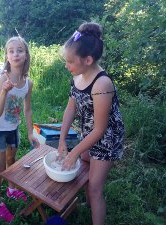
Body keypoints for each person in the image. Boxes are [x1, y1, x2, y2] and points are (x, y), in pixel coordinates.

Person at [58, 22, 125, 225]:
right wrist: (62, 139)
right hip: (90, 133)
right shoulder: (78, 76)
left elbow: (101, 129)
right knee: (85, 166)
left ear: (88, 60)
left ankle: (94, 202)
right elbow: (71, 108)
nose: (67, 66)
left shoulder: (102, 84)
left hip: (106, 139)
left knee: (95, 187)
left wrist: (74, 151)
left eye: (70, 62)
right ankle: (89, 203)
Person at [0, 36, 40, 222]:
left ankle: (11, 190)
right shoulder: (3, 78)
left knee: (12, 159)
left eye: (19, 50)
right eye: (11, 51)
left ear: (26, 55)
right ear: (7, 56)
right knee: (0, 166)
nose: (15, 53)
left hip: (14, 128)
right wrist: (4, 91)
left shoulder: (28, 83)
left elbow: (27, 109)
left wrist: (29, 132)